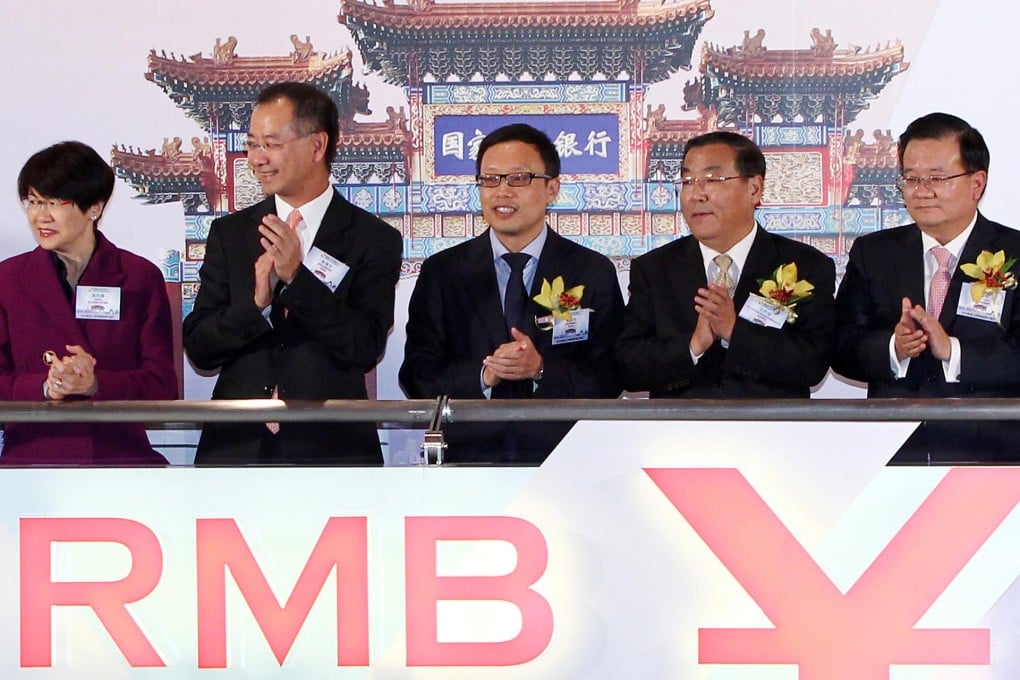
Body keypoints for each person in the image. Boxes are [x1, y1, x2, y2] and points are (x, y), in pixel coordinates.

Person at [182, 82, 401, 465]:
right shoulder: (231, 234)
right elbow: (201, 348)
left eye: (272, 144)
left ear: (317, 146)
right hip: (236, 450)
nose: (257, 158)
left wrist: (298, 281)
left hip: (333, 450)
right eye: (252, 144)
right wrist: (255, 305)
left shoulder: (373, 238)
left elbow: (364, 346)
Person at [400, 123, 624, 464]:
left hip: (565, 461)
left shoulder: (591, 271)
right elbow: (417, 373)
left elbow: (611, 374)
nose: (502, 191)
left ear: (552, 188)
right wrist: (484, 375)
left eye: (518, 179)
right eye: (490, 179)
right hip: (470, 461)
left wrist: (541, 370)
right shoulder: (443, 273)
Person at [834, 112, 1020, 464]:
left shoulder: (1015, 253)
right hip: (890, 454)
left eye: (937, 178)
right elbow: (841, 345)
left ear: (977, 183)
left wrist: (952, 350)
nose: (922, 191)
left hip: (996, 456)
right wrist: (895, 348)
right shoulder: (874, 253)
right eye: (911, 178)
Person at [614, 131, 836, 397]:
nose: (696, 194)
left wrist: (734, 332)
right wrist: (693, 346)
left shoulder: (805, 265)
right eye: (687, 181)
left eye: (712, 179)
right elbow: (627, 367)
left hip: (772, 432)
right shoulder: (654, 270)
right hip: (679, 433)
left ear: (754, 189)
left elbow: (812, 364)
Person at [0, 141, 177, 464]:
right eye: (34, 201)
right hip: (31, 461)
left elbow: (162, 385)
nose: (41, 216)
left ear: (94, 208)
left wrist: (96, 383)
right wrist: (45, 386)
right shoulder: (8, 279)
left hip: (117, 455)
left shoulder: (138, 277)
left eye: (54, 202)